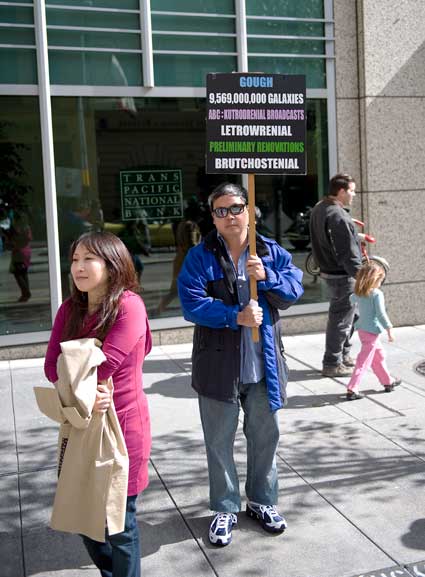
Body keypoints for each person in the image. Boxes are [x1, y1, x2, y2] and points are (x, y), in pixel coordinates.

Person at [177, 182, 304, 547]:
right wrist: (236, 317)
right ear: (213, 217)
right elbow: (192, 304)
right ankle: (225, 507)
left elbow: (293, 293)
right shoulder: (200, 258)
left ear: (249, 210)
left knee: (266, 437)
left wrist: (267, 277)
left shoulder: (269, 252)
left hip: (264, 367)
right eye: (221, 210)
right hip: (218, 369)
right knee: (218, 442)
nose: (230, 216)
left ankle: (262, 501)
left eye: (236, 208)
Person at [44, 231, 152, 577]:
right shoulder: (69, 309)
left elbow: (107, 364)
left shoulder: (129, 305)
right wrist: (83, 383)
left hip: (122, 426)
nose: (78, 266)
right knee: (82, 516)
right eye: (75, 259)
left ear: (112, 262)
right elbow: (51, 366)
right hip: (80, 426)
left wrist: (77, 372)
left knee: (120, 522)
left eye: (88, 258)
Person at [309, 173, 362, 377]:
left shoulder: (320, 207)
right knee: (341, 319)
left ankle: (343, 356)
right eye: (351, 190)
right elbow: (346, 252)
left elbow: (330, 239)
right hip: (342, 275)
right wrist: (362, 277)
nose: (354, 194)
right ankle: (332, 363)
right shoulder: (337, 215)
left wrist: (357, 235)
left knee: (351, 315)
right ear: (341, 191)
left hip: (331, 271)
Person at [346, 261, 401, 400]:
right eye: (380, 280)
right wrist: (389, 328)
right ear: (374, 279)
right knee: (363, 361)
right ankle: (352, 388)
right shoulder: (376, 294)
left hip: (363, 330)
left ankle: (388, 382)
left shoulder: (359, 293)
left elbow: (351, 299)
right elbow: (381, 314)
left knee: (379, 355)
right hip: (371, 332)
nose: (380, 283)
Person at [157, 207, 201, 315]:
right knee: (196, 287)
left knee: (175, 289)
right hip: (188, 260)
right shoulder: (191, 225)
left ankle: (160, 308)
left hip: (180, 257)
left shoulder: (181, 224)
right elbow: (192, 243)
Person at [3, 212, 32, 302]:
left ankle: (26, 292)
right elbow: (29, 238)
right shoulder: (26, 227)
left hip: (18, 252)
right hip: (26, 250)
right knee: (24, 272)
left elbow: (9, 241)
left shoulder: (15, 228)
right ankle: (25, 293)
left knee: (17, 273)